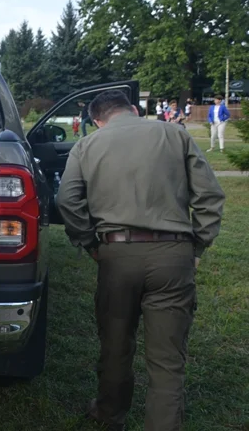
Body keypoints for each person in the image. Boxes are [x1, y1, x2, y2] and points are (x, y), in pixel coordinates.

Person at [56, 90, 225, 430]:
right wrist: (197, 247)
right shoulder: (175, 134)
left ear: (97, 120)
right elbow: (209, 196)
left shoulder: (86, 145)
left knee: (115, 345)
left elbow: (68, 201)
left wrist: (90, 243)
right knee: (168, 361)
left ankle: (109, 413)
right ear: (133, 109)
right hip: (173, 256)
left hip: (116, 256)